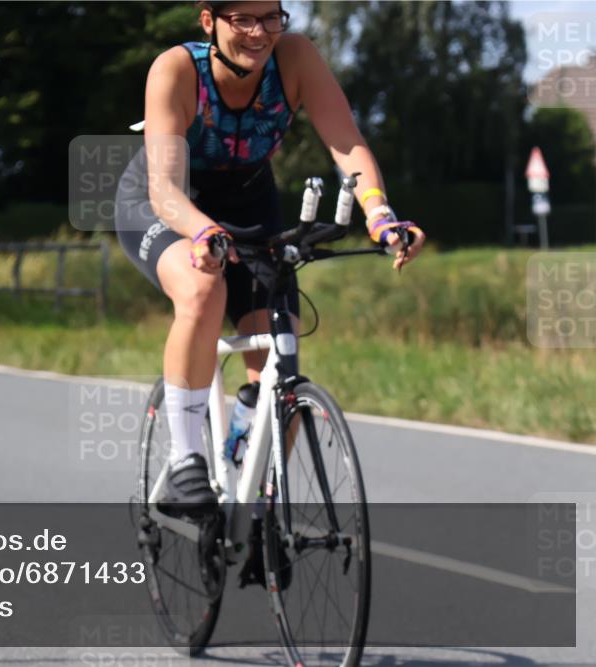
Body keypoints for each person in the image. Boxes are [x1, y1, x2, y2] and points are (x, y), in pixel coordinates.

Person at [116, 1, 426, 515]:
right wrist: (202, 231)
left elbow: (346, 143)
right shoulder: (175, 70)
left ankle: (261, 510)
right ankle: (185, 461)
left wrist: (380, 214)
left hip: (249, 202)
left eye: (271, 17)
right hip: (167, 204)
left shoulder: (296, 57)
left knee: (279, 361)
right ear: (209, 21)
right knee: (202, 289)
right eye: (242, 19)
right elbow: (165, 189)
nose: (259, 33)